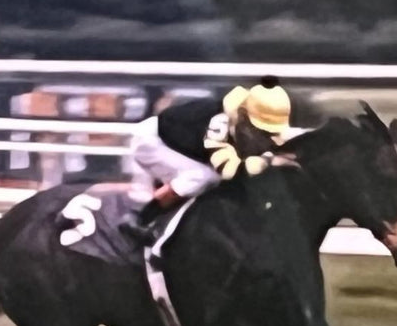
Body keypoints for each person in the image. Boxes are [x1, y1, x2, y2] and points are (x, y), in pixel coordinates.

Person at [120, 75, 293, 244]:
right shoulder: (220, 123)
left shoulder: (246, 121)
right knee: (204, 176)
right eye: (263, 129)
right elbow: (227, 169)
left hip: (182, 146)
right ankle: (141, 217)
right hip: (153, 142)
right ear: (244, 114)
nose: (267, 135)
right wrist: (270, 162)